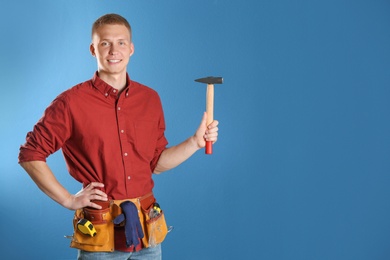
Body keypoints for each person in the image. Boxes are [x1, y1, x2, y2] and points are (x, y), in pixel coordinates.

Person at [18, 13, 219, 260]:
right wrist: (69, 200)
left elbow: (156, 164)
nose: (114, 50)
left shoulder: (150, 99)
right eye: (105, 43)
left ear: (131, 48)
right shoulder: (70, 103)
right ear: (93, 49)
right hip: (101, 235)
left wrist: (195, 143)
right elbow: (30, 155)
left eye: (121, 42)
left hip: (148, 233)